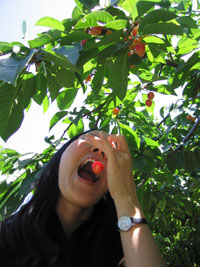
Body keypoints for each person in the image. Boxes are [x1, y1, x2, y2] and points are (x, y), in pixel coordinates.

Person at [0, 130, 165, 267]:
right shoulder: (7, 237)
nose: (101, 150)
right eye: (89, 139)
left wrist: (125, 196)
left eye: (111, 154)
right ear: (59, 161)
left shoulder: (118, 254)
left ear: (108, 191)